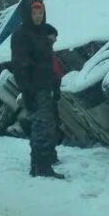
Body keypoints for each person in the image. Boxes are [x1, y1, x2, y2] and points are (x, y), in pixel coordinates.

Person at [10, 0, 64, 179]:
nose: (38, 16)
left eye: (40, 13)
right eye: (34, 13)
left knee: (49, 125)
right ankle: (40, 167)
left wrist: (56, 84)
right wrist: (27, 90)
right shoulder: (21, 35)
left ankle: (45, 160)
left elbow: (50, 63)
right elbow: (20, 65)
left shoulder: (41, 35)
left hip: (46, 86)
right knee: (42, 127)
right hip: (34, 88)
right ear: (28, 14)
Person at [43, 23, 64, 166]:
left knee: (49, 123)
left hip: (47, 90)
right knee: (50, 124)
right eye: (54, 36)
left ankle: (50, 153)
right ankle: (49, 155)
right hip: (47, 91)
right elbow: (53, 71)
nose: (56, 39)